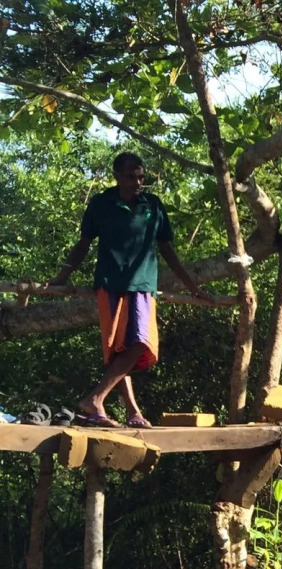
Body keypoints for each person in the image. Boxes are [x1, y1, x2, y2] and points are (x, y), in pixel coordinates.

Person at [50, 151, 218, 428]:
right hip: (110, 282)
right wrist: (61, 277)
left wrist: (192, 287)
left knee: (141, 342)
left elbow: (167, 249)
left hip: (142, 285)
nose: (137, 182)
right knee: (119, 349)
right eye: (130, 176)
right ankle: (126, 411)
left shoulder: (152, 205)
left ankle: (97, 399)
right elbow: (84, 243)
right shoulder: (101, 204)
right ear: (116, 176)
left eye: (141, 177)